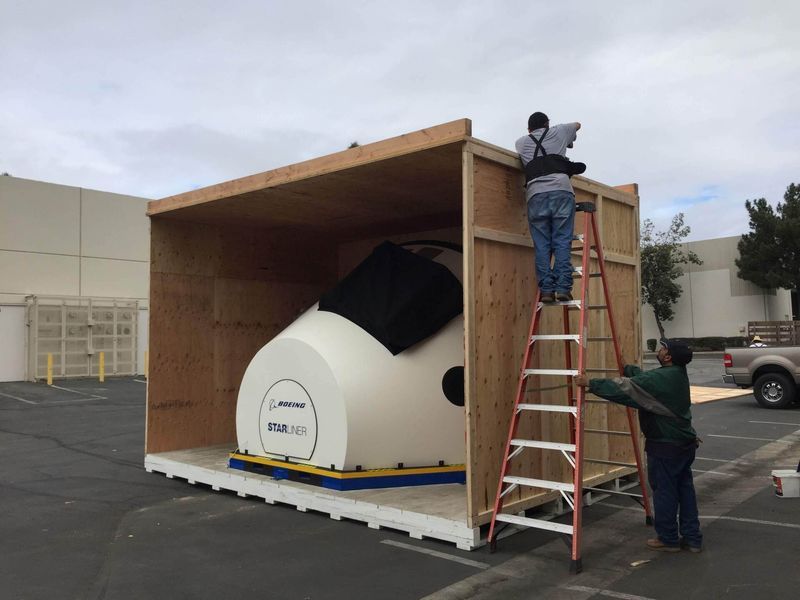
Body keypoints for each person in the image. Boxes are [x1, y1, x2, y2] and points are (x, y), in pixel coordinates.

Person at [573, 338, 703, 553]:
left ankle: (668, 538)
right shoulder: (676, 374)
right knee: (685, 491)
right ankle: (692, 538)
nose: (660, 351)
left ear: (668, 356)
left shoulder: (663, 378)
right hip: (683, 444)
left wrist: (590, 383)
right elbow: (645, 379)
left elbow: (627, 388)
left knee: (664, 492)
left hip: (665, 445)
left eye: (663, 349)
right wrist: (628, 368)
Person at [515, 112, 582, 303]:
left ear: (529, 129)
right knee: (562, 240)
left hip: (535, 195)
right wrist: (569, 139)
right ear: (547, 124)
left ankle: (546, 291)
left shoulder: (520, 142)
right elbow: (577, 124)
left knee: (542, 245)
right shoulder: (559, 131)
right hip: (561, 191)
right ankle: (562, 287)